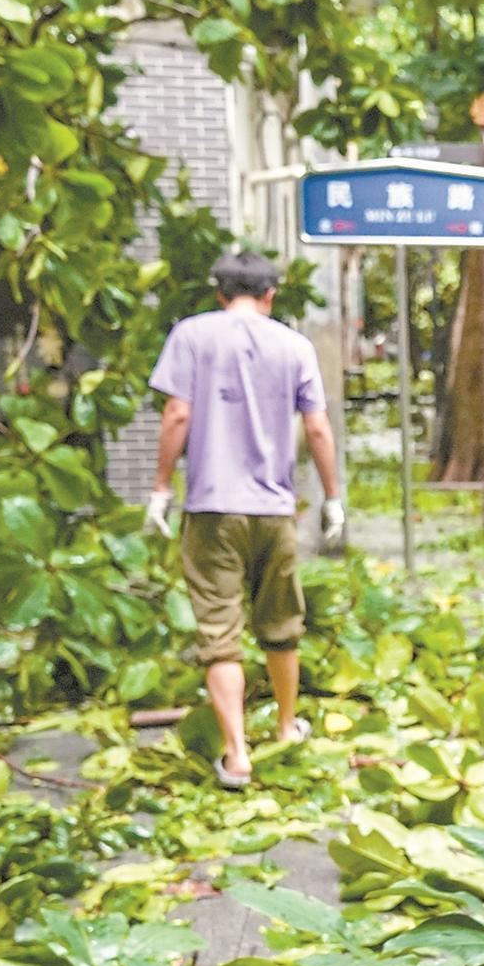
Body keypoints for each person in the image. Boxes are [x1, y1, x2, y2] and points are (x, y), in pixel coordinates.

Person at [144, 251, 345, 789]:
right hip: (276, 510)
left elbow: (177, 414)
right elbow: (319, 429)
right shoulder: (294, 345)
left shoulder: (191, 335)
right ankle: (284, 728)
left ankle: (237, 756)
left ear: (219, 293)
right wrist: (332, 498)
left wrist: (161, 489)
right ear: (271, 294)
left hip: (211, 509)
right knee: (281, 626)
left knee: (220, 633)